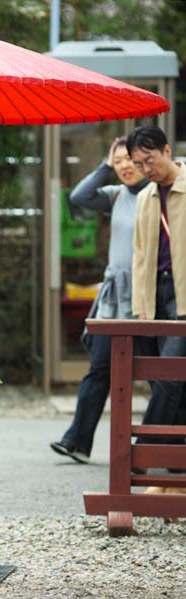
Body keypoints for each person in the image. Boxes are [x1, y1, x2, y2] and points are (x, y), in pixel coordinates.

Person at [50, 137, 148, 464]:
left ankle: (164, 444)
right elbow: (79, 196)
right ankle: (76, 440)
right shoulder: (116, 194)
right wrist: (105, 167)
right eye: (118, 160)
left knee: (160, 374)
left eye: (129, 160)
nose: (124, 166)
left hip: (149, 298)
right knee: (99, 368)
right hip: (114, 298)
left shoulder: (157, 195)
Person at [128, 126, 186, 449]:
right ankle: (177, 451)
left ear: (167, 150)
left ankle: (145, 449)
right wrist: (141, 307)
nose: (145, 169)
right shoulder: (144, 198)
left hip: (184, 290)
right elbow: (139, 254)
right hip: (156, 291)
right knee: (162, 371)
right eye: (138, 164)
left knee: (169, 370)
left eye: (149, 160)